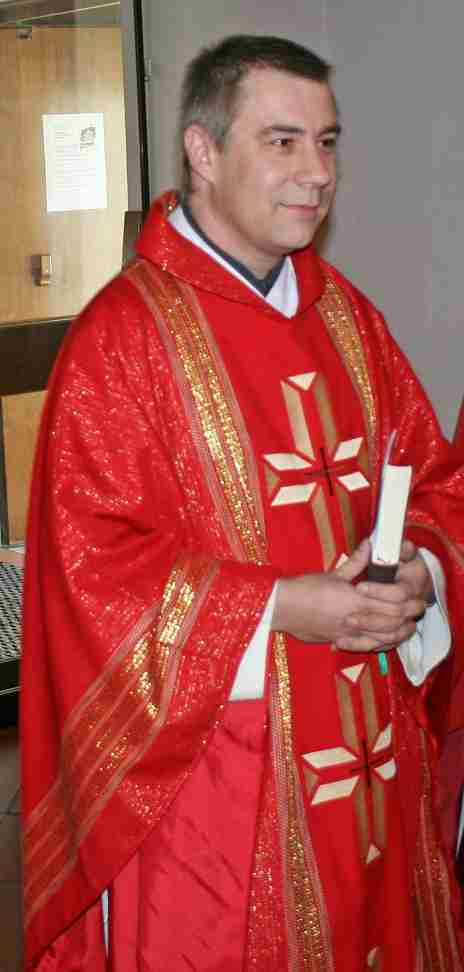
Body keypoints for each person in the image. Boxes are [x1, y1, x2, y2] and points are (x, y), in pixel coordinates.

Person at [21, 34, 464, 972]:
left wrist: (421, 573)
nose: (317, 173)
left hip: (370, 755)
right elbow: (88, 575)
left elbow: (433, 480)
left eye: (328, 142)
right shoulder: (121, 342)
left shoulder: (349, 319)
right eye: (282, 141)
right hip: (214, 795)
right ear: (203, 151)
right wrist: (278, 607)